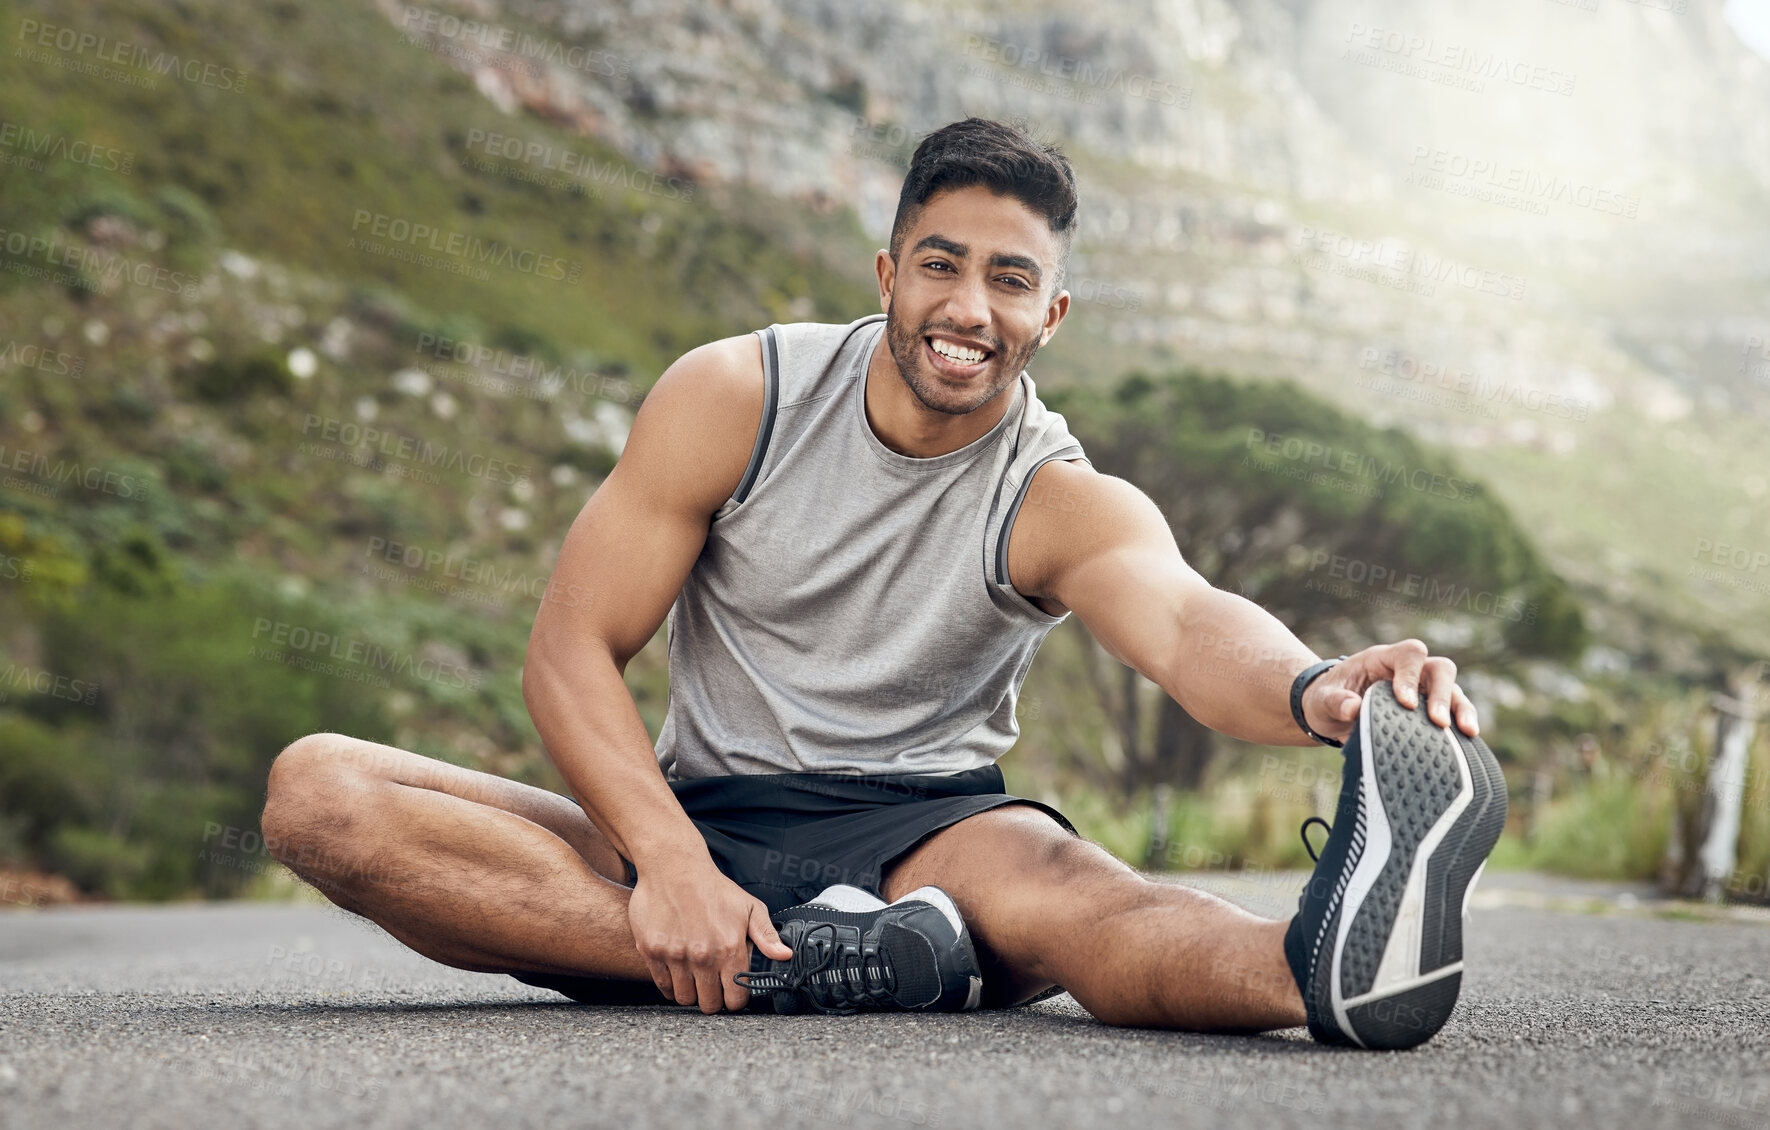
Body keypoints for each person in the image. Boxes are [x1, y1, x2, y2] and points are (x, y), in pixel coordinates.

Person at [262, 117, 1503, 1048]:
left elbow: (1184, 623)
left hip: (928, 843)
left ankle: (1320, 969)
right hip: (699, 816)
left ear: (1051, 312)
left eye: (1009, 281)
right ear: (886, 273)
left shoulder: (1059, 497)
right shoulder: (735, 398)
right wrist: (672, 862)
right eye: (942, 265)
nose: (969, 308)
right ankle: (810, 963)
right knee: (320, 791)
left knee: (1077, 897)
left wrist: (1316, 687)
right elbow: (570, 650)